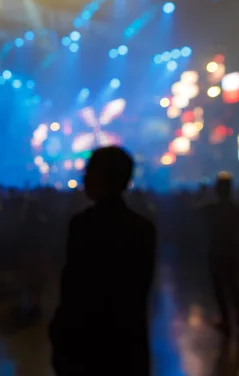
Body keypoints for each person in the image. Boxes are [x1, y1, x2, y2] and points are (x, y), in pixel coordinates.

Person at [49, 146, 157, 376]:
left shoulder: (82, 225)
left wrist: (61, 336)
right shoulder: (143, 228)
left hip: (85, 346)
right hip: (127, 347)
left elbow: (73, 289)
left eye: (89, 172)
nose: (84, 178)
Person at [202, 172, 239, 334]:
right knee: (234, 283)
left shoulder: (211, 209)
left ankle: (225, 318)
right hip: (232, 248)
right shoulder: (237, 209)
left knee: (219, 285)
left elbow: (195, 212)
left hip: (216, 249)